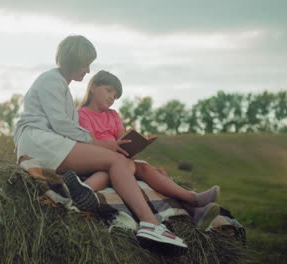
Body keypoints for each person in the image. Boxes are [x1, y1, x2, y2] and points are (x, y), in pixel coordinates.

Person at [13, 35, 188, 253]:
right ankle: (150, 223)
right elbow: (61, 125)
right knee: (115, 160)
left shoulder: (62, 86)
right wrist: (99, 144)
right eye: (85, 64)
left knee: (118, 161)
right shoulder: (51, 81)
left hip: (51, 142)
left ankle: (82, 191)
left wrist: (100, 146)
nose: (87, 70)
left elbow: (69, 127)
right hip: (40, 141)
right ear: (73, 60)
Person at [77, 70, 221, 230]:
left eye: (116, 95)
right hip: (99, 161)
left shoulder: (113, 115)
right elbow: (89, 142)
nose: (112, 97)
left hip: (120, 159)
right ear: (93, 87)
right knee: (146, 170)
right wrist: (113, 149)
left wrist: (133, 145)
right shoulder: (83, 114)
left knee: (151, 170)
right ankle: (193, 203)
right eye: (109, 91)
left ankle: (194, 207)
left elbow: (123, 138)